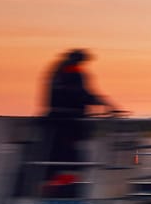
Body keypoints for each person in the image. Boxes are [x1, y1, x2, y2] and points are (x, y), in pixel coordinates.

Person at [36, 49, 122, 195]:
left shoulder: (57, 71)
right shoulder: (70, 71)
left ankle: (58, 187)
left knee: (58, 159)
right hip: (68, 123)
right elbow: (80, 94)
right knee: (71, 159)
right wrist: (106, 104)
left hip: (57, 120)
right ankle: (65, 190)